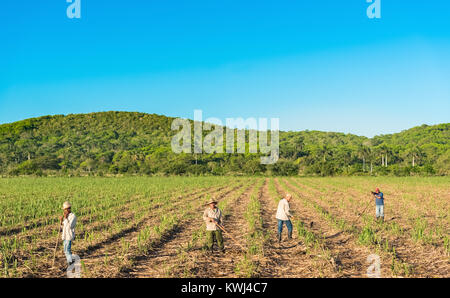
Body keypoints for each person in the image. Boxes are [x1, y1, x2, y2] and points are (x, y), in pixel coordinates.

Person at [60, 201, 77, 266]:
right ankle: (70, 260)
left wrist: (66, 218)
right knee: (65, 250)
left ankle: (70, 261)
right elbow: (63, 227)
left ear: (68, 209)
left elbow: (71, 226)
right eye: (64, 210)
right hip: (64, 235)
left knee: (67, 250)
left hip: (69, 235)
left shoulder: (73, 216)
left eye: (65, 209)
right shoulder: (65, 217)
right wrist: (61, 221)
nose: (64, 211)